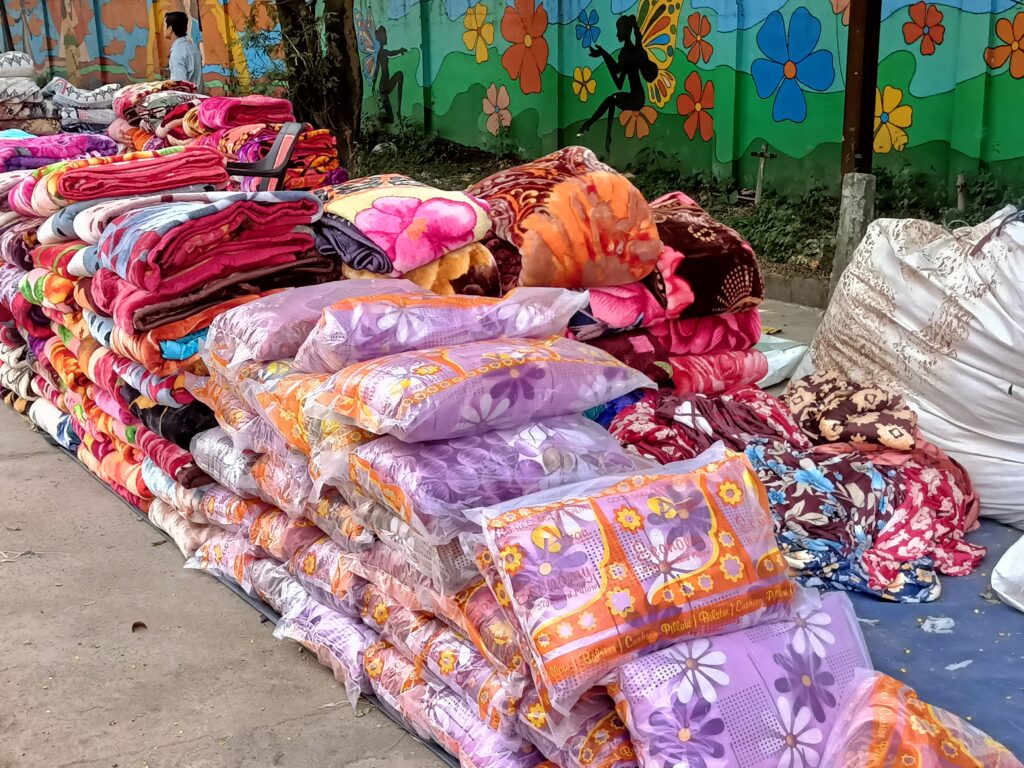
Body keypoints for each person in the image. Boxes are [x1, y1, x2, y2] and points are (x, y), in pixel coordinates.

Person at [164, 11, 203, 91]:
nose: (163, 29)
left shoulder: (177, 52)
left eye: (164, 26)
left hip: (187, 97)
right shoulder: (193, 48)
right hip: (199, 96)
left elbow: (181, 87)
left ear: (170, 29)